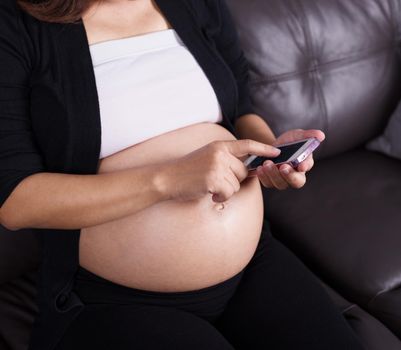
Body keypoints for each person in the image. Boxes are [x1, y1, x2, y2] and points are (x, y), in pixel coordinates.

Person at [0, 0, 364, 349]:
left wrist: (272, 154)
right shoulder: (15, 24)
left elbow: (241, 110)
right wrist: (170, 180)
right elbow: (17, 201)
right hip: (115, 301)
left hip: (252, 263)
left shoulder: (194, 3)